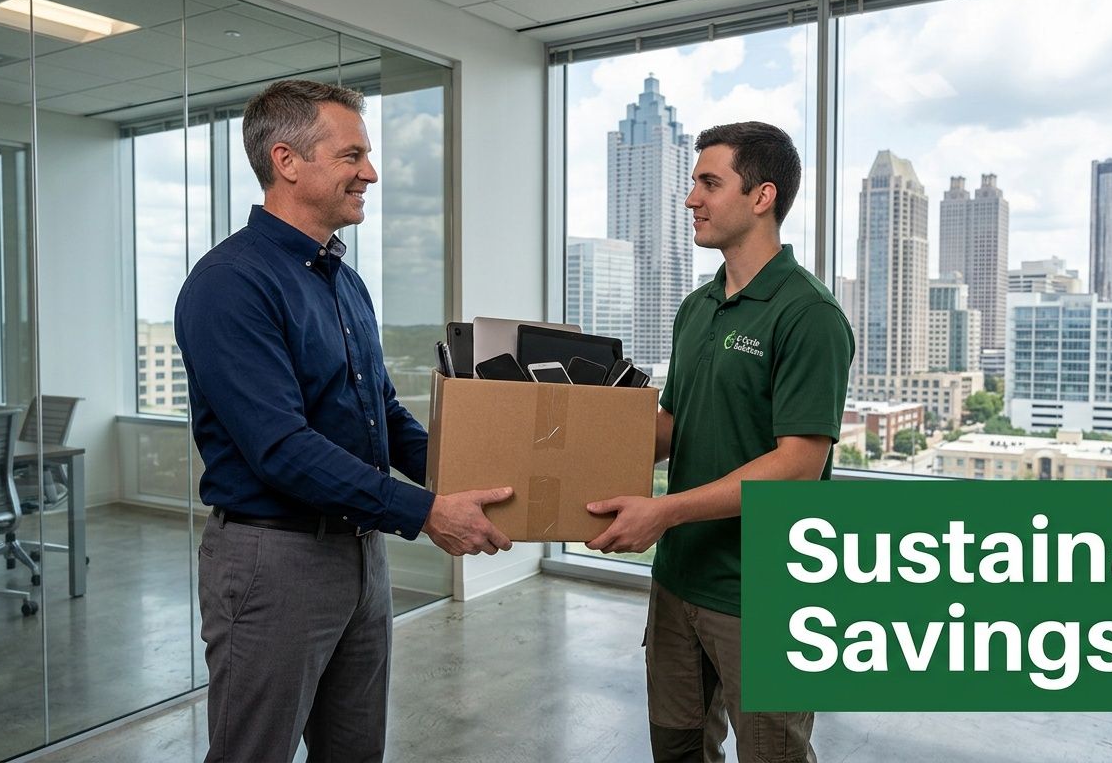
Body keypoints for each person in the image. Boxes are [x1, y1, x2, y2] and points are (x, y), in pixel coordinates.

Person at [175, 79, 512, 763]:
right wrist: (425, 512)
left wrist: (474, 477)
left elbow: (381, 413)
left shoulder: (342, 280)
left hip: (360, 555)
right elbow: (281, 448)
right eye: (352, 154)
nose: (371, 172)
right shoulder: (230, 283)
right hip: (274, 560)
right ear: (287, 161)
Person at [586, 121, 854, 762]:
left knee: (773, 755)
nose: (691, 200)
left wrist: (664, 511)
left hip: (760, 591)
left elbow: (797, 465)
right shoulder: (697, 307)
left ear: (761, 197)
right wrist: (574, 444)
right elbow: (677, 426)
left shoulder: (807, 314)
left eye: (709, 183)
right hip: (680, 579)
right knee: (676, 748)